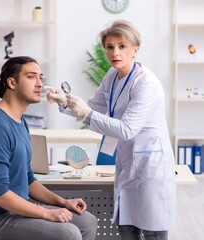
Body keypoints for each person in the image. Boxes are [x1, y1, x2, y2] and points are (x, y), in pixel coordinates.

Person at [45, 19, 176, 240]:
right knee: (127, 229)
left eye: (122, 46)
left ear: (136, 49)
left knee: (153, 232)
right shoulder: (112, 76)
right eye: (110, 47)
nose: (115, 52)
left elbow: (126, 129)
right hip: (127, 163)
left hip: (149, 166)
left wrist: (84, 112)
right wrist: (64, 101)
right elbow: (94, 107)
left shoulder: (146, 84)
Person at [0, 56, 98, 240]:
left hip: (18, 209)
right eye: (31, 77)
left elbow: (28, 180)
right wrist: (46, 213)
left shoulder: (21, 122)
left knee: (87, 222)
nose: (39, 84)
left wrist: (63, 202)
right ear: (11, 82)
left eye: (40, 78)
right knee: (69, 233)